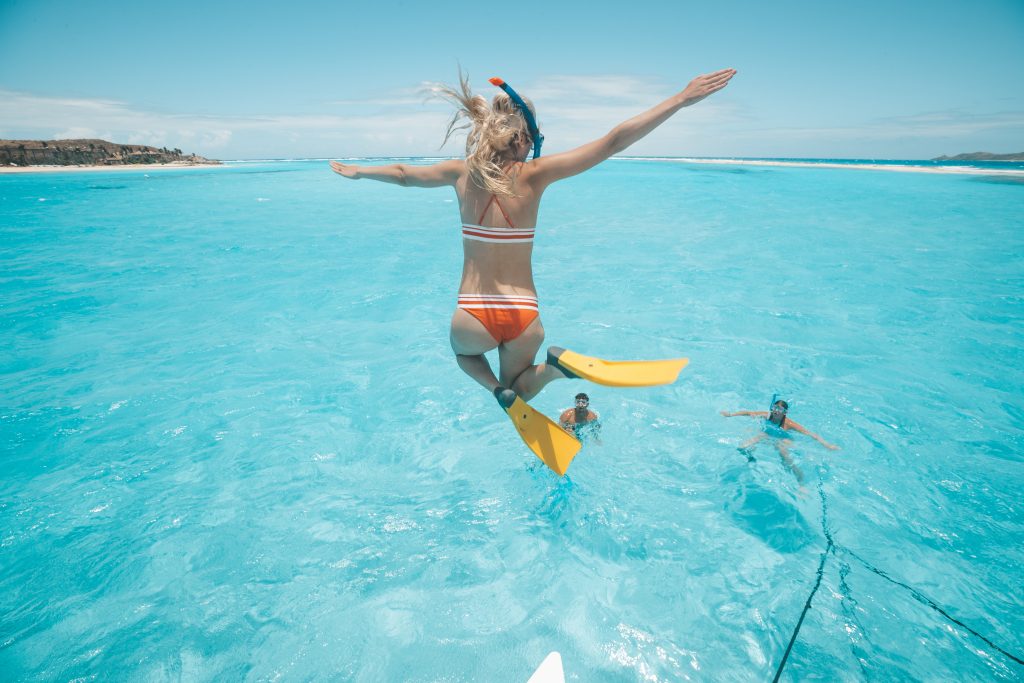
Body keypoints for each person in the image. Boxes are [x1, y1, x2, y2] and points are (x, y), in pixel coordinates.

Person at [330, 68, 735, 410]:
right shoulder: (537, 175)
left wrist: (360, 172)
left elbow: (402, 173)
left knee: (466, 355)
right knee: (523, 388)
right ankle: (556, 368)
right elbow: (614, 141)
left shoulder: (461, 172)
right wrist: (680, 99)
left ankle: (499, 387)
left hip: (474, 312)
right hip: (524, 315)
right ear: (523, 138)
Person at [720, 399, 839, 485]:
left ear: (785, 412)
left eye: (780, 409)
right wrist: (730, 414)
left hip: (784, 437)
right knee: (742, 447)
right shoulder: (767, 416)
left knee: (783, 454)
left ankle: (800, 481)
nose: (776, 411)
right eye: (775, 408)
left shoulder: (789, 424)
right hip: (767, 434)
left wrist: (827, 445)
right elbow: (748, 412)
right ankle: (751, 458)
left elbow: (810, 434)